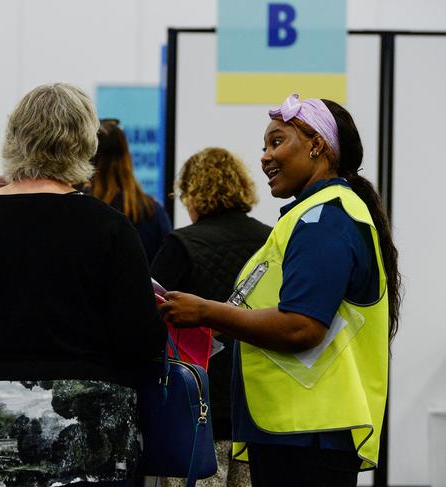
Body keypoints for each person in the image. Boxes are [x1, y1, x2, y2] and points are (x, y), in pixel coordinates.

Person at [0, 83, 166, 487]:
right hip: (90, 423)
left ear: (15, 138)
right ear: (84, 143)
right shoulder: (111, 228)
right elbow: (140, 339)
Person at [160, 94, 401, 487]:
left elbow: (302, 327)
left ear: (316, 145)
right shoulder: (313, 216)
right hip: (296, 430)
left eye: (276, 142)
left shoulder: (325, 217)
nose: (265, 157)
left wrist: (206, 312)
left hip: (309, 433)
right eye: (264, 146)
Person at [151, 147, 271, 487]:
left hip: (195, 410)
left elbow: (151, 319)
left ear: (193, 192)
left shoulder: (181, 244)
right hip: (257, 410)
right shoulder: (271, 240)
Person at [90, 120, 171, 262]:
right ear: (127, 156)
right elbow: (168, 265)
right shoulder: (152, 211)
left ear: (90, 158)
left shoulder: (83, 209)